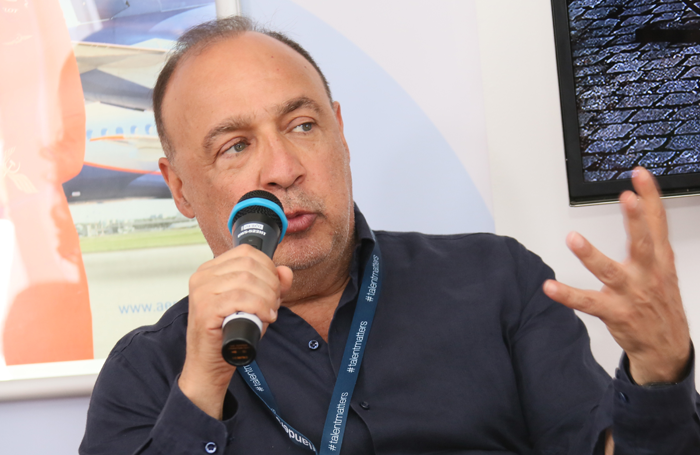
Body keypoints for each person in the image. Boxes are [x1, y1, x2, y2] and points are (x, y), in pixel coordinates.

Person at [80, 16, 700, 455]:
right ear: (181, 187)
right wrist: (202, 387)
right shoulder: (150, 373)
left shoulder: (498, 282)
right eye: (236, 146)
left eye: (301, 125)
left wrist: (658, 371)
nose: (282, 169)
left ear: (340, 132)